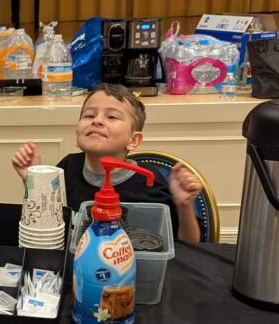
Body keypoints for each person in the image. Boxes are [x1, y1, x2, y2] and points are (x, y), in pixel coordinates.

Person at [12, 84, 203, 243]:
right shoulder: (67, 167)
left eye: (111, 117)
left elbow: (190, 246)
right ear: (76, 132)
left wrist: (183, 206)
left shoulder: (149, 184)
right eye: (89, 115)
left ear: (133, 140)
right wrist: (34, 180)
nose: (97, 121)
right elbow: (46, 224)